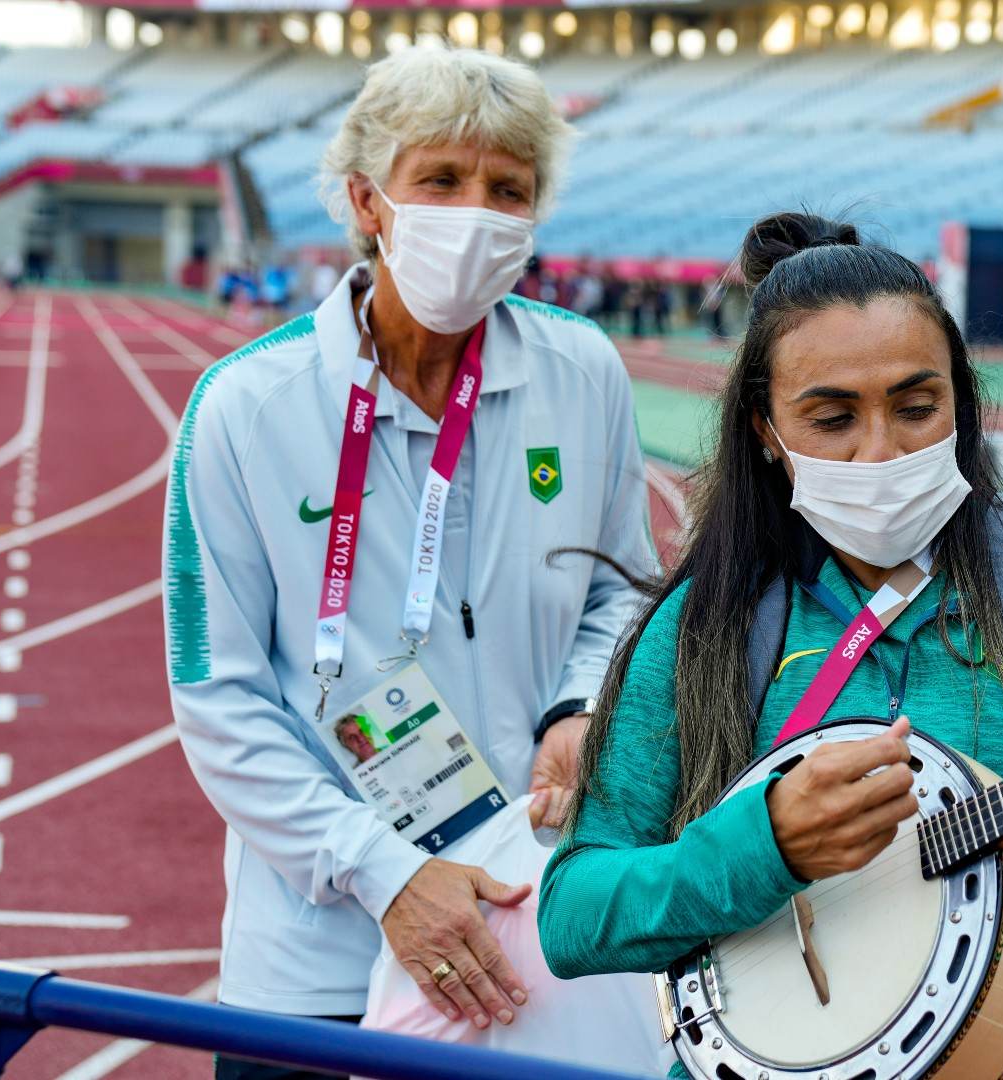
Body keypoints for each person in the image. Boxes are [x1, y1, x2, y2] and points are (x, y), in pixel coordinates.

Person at [539, 213, 1003, 1079]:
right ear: (764, 432)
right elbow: (574, 917)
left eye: (916, 406)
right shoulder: (706, 631)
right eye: (830, 419)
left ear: (962, 403)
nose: (881, 450)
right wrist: (764, 847)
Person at [164, 47, 655, 1080]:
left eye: (509, 190)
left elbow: (621, 594)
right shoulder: (246, 404)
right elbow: (220, 697)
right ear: (367, 199)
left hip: (531, 929)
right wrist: (387, 876)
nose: (478, 213)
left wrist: (579, 709)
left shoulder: (584, 372)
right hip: (314, 965)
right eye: (442, 179)